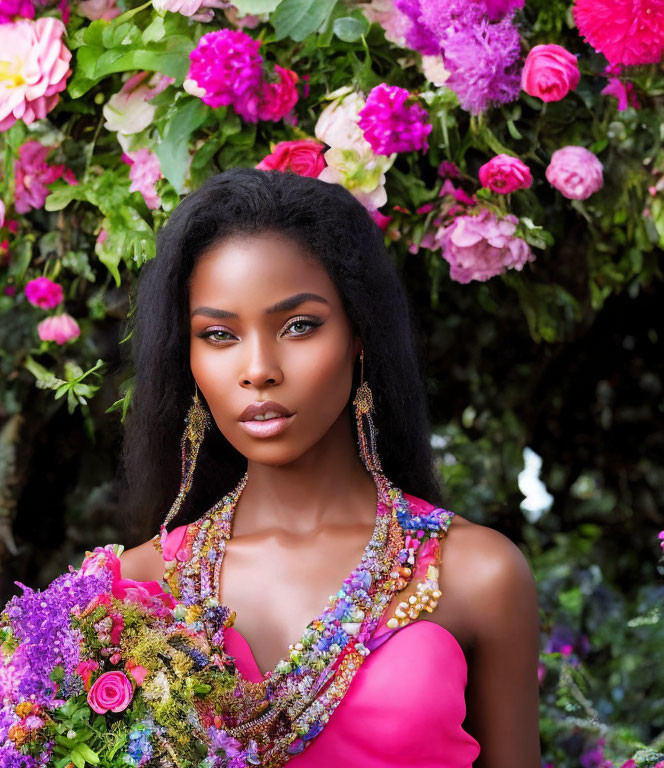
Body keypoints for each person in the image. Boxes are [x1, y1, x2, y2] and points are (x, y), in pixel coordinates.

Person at [118, 167, 541, 767]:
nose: (258, 368)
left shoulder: (477, 575)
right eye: (218, 334)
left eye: (299, 326)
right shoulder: (135, 590)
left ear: (360, 334)